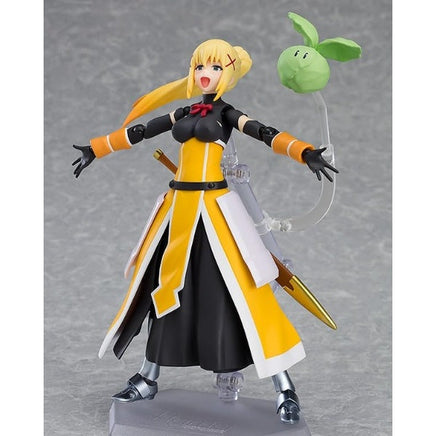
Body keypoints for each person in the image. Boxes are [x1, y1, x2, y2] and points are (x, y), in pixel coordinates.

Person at [73, 38, 337, 424]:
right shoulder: (183, 111)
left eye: (214, 67)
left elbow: (265, 133)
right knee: (166, 289)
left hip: (215, 212)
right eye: (199, 67)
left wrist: (304, 151)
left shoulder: (227, 114)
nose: (205, 74)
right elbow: (141, 131)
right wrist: (97, 148)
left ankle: (285, 388)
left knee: (247, 293)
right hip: (179, 211)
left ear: (227, 73)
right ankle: (148, 377)